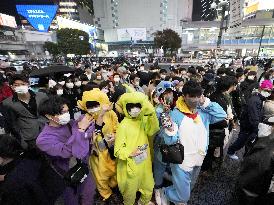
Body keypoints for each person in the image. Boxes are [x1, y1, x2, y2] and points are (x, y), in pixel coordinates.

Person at [159, 80, 226, 204]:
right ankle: (165, 192)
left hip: (199, 157)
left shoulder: (203, 112)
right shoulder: (175, 114)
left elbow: (221, 115)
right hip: (181, 161)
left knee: (189, 186)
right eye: (192, 96)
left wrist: (205, 102)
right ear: (184, 96)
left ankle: (176, 193)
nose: (195, 99)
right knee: (184, 197)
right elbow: (169, 141)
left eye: (198, 96)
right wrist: (170, 130)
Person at [36, 96, 96, 205]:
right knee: (71, 198)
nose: (66, 115)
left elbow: (87, 135)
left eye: (67, 111)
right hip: (65, 174)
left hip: (83, 167)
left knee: (88, 194)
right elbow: (67, 152)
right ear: (49, 116)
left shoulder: (70, 123)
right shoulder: (43, 139)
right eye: (61, 113)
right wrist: (81, 131)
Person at [114, 92, 159, 205]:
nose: (134, 109)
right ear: (126, 108)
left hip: (144, 164)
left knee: (148, 189)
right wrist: (130, 153)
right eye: (131, 107)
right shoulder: (123, 125)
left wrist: (151, 114)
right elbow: (118, 150)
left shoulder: (143, 120)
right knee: (129, 194)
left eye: (137, 106)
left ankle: (142, 203)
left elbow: (152, 130)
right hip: (130, 166)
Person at [77, 89, 119, 204]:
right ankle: (106, 194)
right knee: (100, 176)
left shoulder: (111, 114)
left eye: (96, 105)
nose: (93, 109)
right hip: (97, 154)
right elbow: (83, 137)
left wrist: (115, 136)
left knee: (115, 170)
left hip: (111, 149)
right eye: (90, 106)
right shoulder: (85, 119)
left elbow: (117, 127)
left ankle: (113, 186)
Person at [227, 80, 273, 160]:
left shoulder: (259, 98)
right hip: (248, 125)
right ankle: (230, 151)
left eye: (269, 91)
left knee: (244, 141)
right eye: (266, 90)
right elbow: (254, 117)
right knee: (241, 141)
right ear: (260, 88)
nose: (268, 93)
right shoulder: (255, 101)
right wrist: (257, 129)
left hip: (249, 125)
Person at [201, 76, 237, 174]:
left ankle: (209, 165)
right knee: (210, 149)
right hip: (215, 129)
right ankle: (206, 169)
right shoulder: (217, 98)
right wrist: (226, 122)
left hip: (218, 128)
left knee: (213, 149)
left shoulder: (222, 95)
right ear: (230, 86)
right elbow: (219, 116)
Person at [3, 74, 48, 149]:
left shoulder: (42, 96)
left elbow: (49, 111)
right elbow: (12, 123)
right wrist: (20, 139)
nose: (20, 87)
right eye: (16, 85)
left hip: (46, 131)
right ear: (12, 87)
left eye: (23, 84)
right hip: (28, 136)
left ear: (28, 84)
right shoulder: (7, 103)